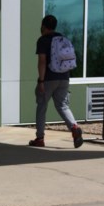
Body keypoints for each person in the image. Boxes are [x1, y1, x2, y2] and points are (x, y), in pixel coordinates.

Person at [30, 15, 84, 148]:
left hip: (49, 78)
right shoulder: (63, 39)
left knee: (42, 106)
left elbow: (42, 62)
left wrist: (41, 81)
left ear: (43, 25)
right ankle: (74, 127)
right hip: (64, 77)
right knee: (63, 105)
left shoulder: (43, 40)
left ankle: (40, 138)